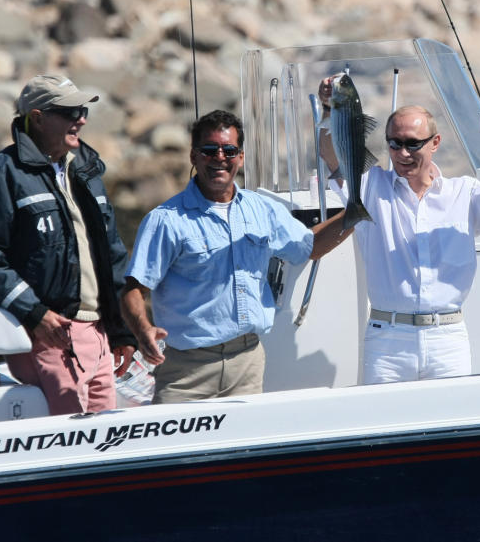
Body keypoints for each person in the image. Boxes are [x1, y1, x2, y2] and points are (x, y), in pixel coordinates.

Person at [121, 110, 351, 403]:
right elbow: (133, 290)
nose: (220, 157)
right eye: (209, 150)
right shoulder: (165, 220)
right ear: (193, 156)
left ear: (240, 157)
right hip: (185, 373)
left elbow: (310, 246)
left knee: (244, 450)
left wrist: (354, 213)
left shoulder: (262, 209)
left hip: (248, 363)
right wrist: (144, 331)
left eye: (229, 150)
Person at [317, 76, 480, 384]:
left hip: (448, 338)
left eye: (412, 144)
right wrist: (330, 108)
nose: (403, 154)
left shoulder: (464, 192)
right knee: (386, 430)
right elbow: (331, 152)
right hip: (387, 340)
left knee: (452, 428)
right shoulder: (370, 187)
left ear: (435, 143)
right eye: (395, 143)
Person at [0, 74, 136, 414]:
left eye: (82, 110)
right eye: (69, 112)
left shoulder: (87, 171)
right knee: (70, 445)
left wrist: (121, 331)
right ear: (38, 118)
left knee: (106, 446)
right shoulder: (1, 173)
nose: (80, 119)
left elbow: (111, 255)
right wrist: (35, 314)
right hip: (50, 337)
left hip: (98, 335)